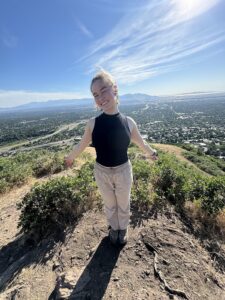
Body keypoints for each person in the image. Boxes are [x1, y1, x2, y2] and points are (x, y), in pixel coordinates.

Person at [64, 70, 158, 245]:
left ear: (115, 89)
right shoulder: (93, 123)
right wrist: (70, 158)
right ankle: (113, 228)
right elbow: (81, 145)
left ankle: (123, 229)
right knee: (109, 205)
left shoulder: (129, 123)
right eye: (95, 95)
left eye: (103, 90)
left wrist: (151, 153)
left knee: (123, 204)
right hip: (102, 172)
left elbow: (141, 143)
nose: (100, 98)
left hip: (123, 171)